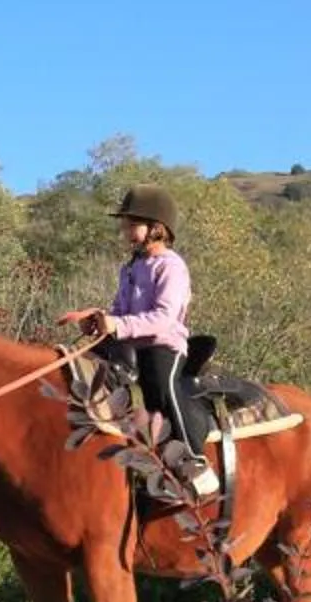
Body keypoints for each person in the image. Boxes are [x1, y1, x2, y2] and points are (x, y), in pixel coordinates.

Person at [59, 183, 221, 499]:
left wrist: (118, 323)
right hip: (131, 342)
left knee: (161, 386)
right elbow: (120, 311)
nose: (125, 231)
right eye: (125, 224)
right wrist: (99, 319)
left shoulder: (172, 266)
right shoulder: (130, 268)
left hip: (163, 344)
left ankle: (193, 461)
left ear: (156, 228)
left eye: (132, 224)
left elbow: (164, 317)